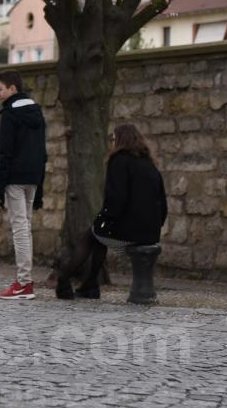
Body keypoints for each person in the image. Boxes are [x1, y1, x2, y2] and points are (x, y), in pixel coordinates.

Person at [55, 123, 167, 300]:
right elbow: (162, 197)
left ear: (121, 140)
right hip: (151, 229)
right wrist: (158, 223)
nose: (112, 143)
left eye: (113, 139)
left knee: (90, 235)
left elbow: (117, 198)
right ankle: (89, 285)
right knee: (100, 237)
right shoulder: (148, 163)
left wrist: (103, 218)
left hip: (132, 227)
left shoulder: (119, 160)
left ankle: (64, 280)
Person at [0, 69, 47, 300]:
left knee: (20, 228)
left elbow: (5, 153)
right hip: (33, 176)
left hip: (15, 178)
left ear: (12, 89)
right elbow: (42, 152)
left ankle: (24, 283)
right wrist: (41, 185)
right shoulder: (37, 112)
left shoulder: (9, 114)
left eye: (0, 89)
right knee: (25, 227)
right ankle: (25, 281)